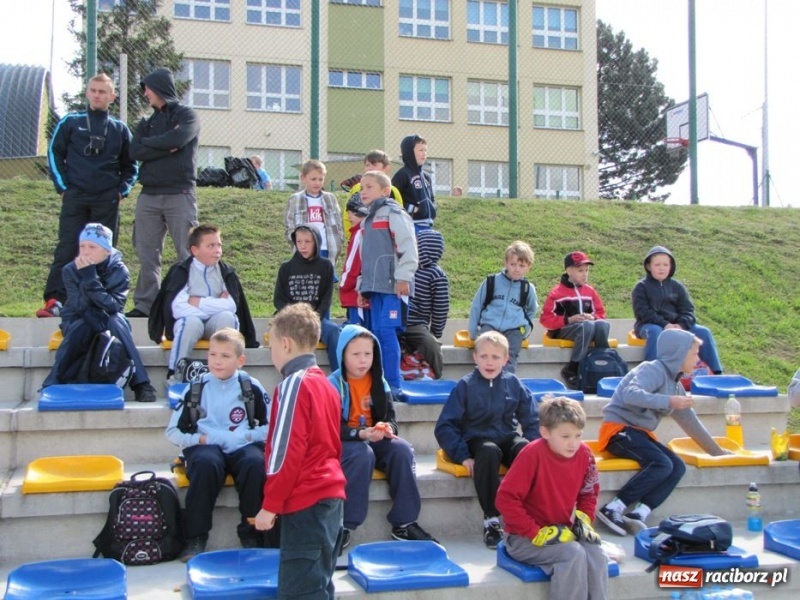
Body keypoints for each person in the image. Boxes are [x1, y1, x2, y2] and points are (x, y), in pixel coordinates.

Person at [595, 329, 730, 536]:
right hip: (618, 431)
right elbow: (631, 394)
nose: (698, 359)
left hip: (640, 434)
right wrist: (668, 401)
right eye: (694, 354)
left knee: (677, 467)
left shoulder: (675, 385)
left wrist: (716, 452)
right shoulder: (653, 369)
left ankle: (640, 512)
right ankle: (614, 507)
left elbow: (689, 421)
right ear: (679, 353)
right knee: (661, 463)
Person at [254, 303, 346, 600]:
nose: (272, 356)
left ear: (285, 343)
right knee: (319, 587)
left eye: (272, 347)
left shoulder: (293, 384)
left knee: (301, 593)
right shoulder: (327, 385)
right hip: (330, 500)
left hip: (307, 501)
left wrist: (271, 504)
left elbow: (286, 451)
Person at [165, 328, 271, 561]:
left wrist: (247, 437)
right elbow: (173, 431)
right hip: (206, 444)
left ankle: (252, 532)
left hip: (243, 443)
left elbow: (271, 428)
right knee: (205, 464)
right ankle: (196, 537)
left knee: (255, 463)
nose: (217, 361)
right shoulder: (196, 387)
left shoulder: (250, 386)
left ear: (240, 360)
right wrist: (200, 439)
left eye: (225, 356)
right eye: (212, 355)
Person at [329, 324, 437, 550]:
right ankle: (344, 525)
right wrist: (359, 434)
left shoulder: (379, 380)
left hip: (373, 437)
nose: (363, 360)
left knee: (402, 450)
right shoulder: (332, 384)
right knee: (362, 454)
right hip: (345, 442)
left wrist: (387, 429)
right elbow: (328, 428)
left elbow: (391, 419)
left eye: (368, 354)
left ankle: (404, 523)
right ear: (342, 355)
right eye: (356, 354)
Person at [39, 73, 138, 318]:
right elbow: (54, 154)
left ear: (112, 96)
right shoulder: (71, 122)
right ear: (87, 93)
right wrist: (63, 188)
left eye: (102, 91)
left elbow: (132, 165)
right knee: (68, 248)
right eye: (93, 90)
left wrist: (121, 192)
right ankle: (55, 300)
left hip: (106, 198)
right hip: (76, 196)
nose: (97, 95)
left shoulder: (119, 129)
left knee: (104, 250)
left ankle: (102, 301)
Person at [434, 331, 540, 548]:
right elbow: (445, 426)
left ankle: (527, 512)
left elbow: (532, 418)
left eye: (495, 357)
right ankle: (491, 519)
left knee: (525, 449)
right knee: (489, 451)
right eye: (484, 356)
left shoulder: (513, 383)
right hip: (477, 440)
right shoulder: (465, 386)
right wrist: (462, 455)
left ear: (505, 359)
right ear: (475, 357)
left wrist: (535, 445)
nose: (489, 362)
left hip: (507, 436)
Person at [496, 397, 607, 600]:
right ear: (545, 432)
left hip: (562, 531)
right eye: (565, 436)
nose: (573, 443)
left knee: (596, 554)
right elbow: (505, 498)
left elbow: (589, 492)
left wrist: (584, 520)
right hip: (522, 537)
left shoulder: (585, 455)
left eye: (578, 435)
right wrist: (535, 532)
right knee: (572, 553)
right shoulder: (532, 454)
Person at [41, 223, 156, 403]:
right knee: (81, 325)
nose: (86, 252)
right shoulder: (70, 270)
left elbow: (114, 307)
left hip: (108, 317)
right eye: (82, 247)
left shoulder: (119, 271)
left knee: (116, 321)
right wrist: (88, 278)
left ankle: (142, 384)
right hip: (78, 318)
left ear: (107, 251)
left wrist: (90, 278)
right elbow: (78, 306)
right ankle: (53, 381)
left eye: (92, 247)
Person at [127, 67, 200, 318]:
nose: (145, 93)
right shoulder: (146, 124)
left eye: (147, 88)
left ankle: (187, 302)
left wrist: (159, 144)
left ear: (158, 87)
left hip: (179, 194)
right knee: (147, 252)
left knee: (188, 251)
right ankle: (146, 305)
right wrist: (163, 145)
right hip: (148, 195)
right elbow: (134, 151)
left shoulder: (187, 115)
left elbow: (179, 139)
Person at [148, 225, 259, 383]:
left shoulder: (225, 272)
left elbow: (231, 305)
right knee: (190, 322)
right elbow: (178, 308)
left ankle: (228, 375)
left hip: (213, 324)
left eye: (219, 245)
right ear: (195, 250)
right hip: (190, 325)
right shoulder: (182, 271)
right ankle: (176, 375)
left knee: (227, 317)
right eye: (211, 245)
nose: (217, 250)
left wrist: (197, 301)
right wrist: (217, 303)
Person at [357, 170, 418, 395]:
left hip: (393, 286)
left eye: (369, 187)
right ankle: (378, 382)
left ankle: (394, 384)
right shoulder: (368, 220)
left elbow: (409, 248)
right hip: (374, 288)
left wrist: (403, 277)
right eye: (362, 187)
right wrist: (362, 285)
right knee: (374, 333)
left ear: (385, 190)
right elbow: (366, 257)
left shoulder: (394, 213)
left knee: (386, 331)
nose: (363, 191)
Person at [632, 245, 723, 373]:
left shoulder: (677, 287)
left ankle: (716, 373)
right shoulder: (641, 287)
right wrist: (665, 325)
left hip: (678, 325)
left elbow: (688, 310)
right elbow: (643, 313)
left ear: (671, 266)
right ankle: (652, 373)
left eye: (665, 265)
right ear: (648, 266)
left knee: (703, 331)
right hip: (649, 325)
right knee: (656, 332)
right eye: (657, 265)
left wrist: (680, 325)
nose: (661, 268)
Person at [540, 251, 610, 390]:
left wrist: (593, 317)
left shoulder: (590, 291)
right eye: (580, 270)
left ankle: (603, 363)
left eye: (586, 270)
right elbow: (546, 320)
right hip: (564, 329)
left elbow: (601, 313)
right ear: (569, 271)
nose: (585, 274)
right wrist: (569, 320)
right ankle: (572, 368)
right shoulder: (557, 293)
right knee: (587, 327)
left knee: (602, 325)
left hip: (586, 326)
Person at [274, 226, 341, 371]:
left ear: (316, 242)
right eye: (299, 242)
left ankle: (339, 378)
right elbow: (278, 300)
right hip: (291, 320)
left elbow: (326, 299)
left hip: (316, 319)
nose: (303, 246)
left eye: (307, 242)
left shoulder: (326, 266)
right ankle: (290, 376)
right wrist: (295, 317)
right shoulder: (286, 267)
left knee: (334, 331)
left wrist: (312, 318)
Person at [468, 240, 538, 373]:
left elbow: (532, 309)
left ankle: (506, 385)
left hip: (514, 329)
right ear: (506, 263)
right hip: (490, 326)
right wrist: (472, 332)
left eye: (522, 265)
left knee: (509, 357)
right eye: (513, 264)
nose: (517, 269)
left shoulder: (527, 288)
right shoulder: (491, 282)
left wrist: (525, 329)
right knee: (485, 354)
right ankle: (482, 382)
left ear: (528, 267)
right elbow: (476, 306)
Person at [399, 228, 450, 379]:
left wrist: (436, 331)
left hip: (416, 324)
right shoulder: (406, 267)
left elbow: (441, 306)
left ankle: (438, 375)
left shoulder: (436, 275)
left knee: (431, 345)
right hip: (397, 318)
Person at [284, 159, 344, 269]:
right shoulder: (295, 199)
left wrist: (339, 239)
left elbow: (339, 223)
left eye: (320, 179)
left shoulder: (330, 199)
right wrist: (296, 243)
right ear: (303, 178)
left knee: (325, 282)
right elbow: (289, 226)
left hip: (327, 248)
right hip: (305, 250)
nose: (317, 183)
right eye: (313, 179)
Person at [343, 149, 403, 234]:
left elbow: (399, 214)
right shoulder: (357, 188)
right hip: (361, 235)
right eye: (367, 165)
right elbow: (347, 215)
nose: (370, 168)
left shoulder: (393, 191)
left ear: (386, 168)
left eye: (374, 164)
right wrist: (352, 236)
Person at [392, 134, 436, 231]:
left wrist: (433, 207)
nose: (424, 153)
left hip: (428, 224)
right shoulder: (402, 175)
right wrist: (411, 208)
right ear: (409, 153)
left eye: (425, 150)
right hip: (411, 225)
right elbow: (392, 198)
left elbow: (431, 198)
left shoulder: (426, 177)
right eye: (420, 150)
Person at [339, 196, 370, 326]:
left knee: (358, 334)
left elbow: (352, 264)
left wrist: (343, 285)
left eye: (352, 213)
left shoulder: (359, 233)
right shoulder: (370, 231)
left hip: (356, 293)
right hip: (368, 292)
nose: (349, 217)